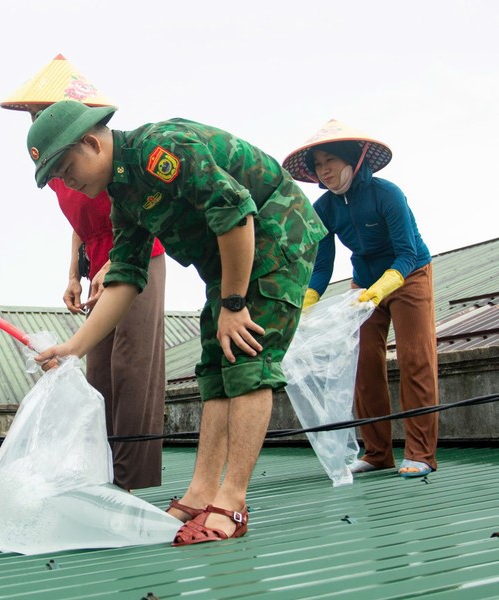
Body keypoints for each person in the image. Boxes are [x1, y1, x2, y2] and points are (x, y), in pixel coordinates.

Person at [25, 101, 327, 545]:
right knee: (214, 370)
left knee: (246, 360)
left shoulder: (159, 150)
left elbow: (235, 213)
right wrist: (75, 347)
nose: (67, 182)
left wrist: (235, 302)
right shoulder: (123, 196)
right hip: (228, 266)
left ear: (91, 142)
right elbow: (125, 277)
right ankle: (202, 491)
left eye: (67, 169)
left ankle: (232, 501)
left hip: (275, 236)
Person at [0, 54, 167, 490]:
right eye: (35, 115)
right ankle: (105, 470)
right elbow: (79, 227)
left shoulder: (102, 157)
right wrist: (74, 274)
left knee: (132, 363)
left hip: (139, 253)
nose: (40, 119)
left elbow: (134, 217)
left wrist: (114, 264)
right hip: (97, 261)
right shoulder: (59, 171)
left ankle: (133, 476)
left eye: (47, 111)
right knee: (100, 371)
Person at [283, 119, 438, 478]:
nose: (324, 171)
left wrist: (385, 287)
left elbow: (408, 252)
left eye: (330, 161)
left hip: (410, 276)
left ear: (354, 158)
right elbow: (321, 268)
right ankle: (377, 452)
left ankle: (421, 453)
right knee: (362, 365)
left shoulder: (387, 194)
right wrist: (305, 301)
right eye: (318, 165)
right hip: (363, 285)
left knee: (416, 359)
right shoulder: (323, 209)